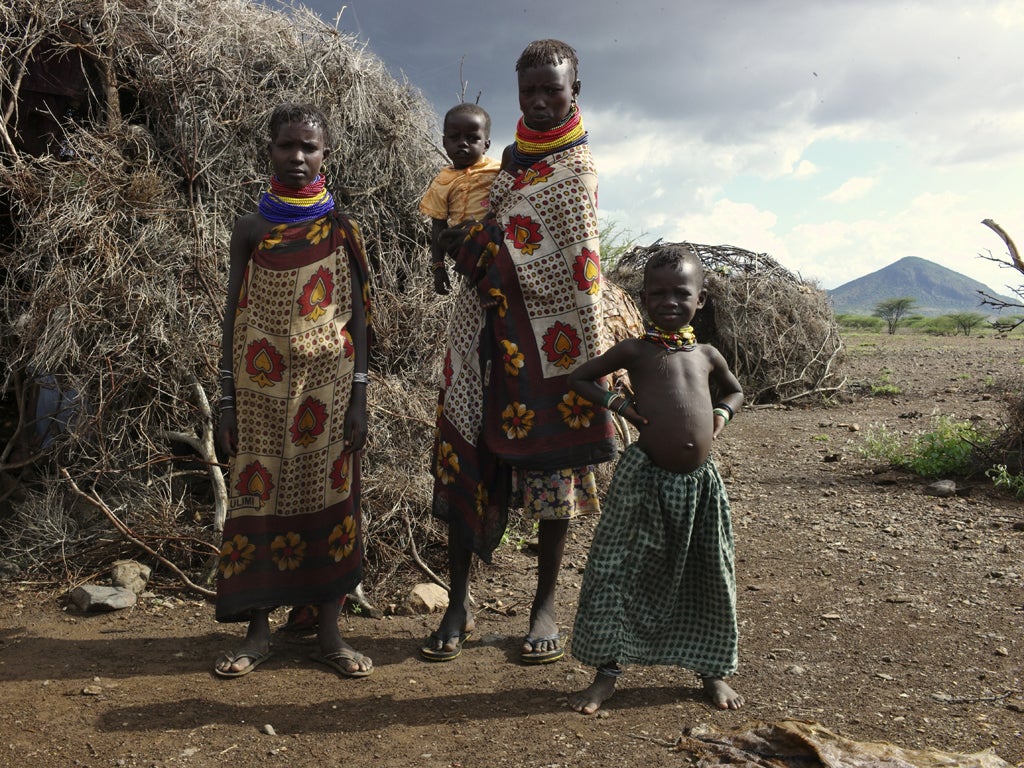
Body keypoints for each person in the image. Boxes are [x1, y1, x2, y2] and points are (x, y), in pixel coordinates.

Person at [421, 40, 616, 665]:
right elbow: (499, 228)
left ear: (573, 93)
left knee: (554, 474)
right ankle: (457, 603)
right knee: (466, 454)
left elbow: (574, 264)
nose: (537, 100)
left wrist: (479, 248)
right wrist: (470, 245)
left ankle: (545, 606)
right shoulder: (506, 158)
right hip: (482, 331)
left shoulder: (577, 169)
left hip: (555, 345)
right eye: (528, 90)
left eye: (550, 90)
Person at [213, 102, 374, 679]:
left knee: (328, 500)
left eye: (309, 147)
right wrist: (226, 400)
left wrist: (359, 397)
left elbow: (358, 320)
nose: (298, 157)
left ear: (326, 154)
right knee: (257, 498)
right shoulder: (251, 228)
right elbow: (232, 314)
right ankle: (258, 634)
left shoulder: (342, 229)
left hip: (327, 395)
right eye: (287, 146)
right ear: (270, 151)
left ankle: (329, 634)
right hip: (257, 394)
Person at [565, 244, 745, 713]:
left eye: (680, 293)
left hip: (700, 486)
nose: (669, 302)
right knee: (618, 572)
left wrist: (721, 417)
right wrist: (621, 407)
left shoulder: (707, 354)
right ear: (643, 298)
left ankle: (712, 671)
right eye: (657, 293)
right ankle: (606, 674)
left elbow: (735, 390)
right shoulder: (635, 351)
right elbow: (581, 379)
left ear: (700, 299)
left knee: (708, 571)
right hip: (643, 482)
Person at [419, 103, 501, 295]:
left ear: (486, 145)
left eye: (472, 138)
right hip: (466, 255)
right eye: (455, 137)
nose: (463, 143)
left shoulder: (499, 170)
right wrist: (438, 268)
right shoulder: (441, 182)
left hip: (498, 248)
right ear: (444, 142)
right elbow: (438, 226)